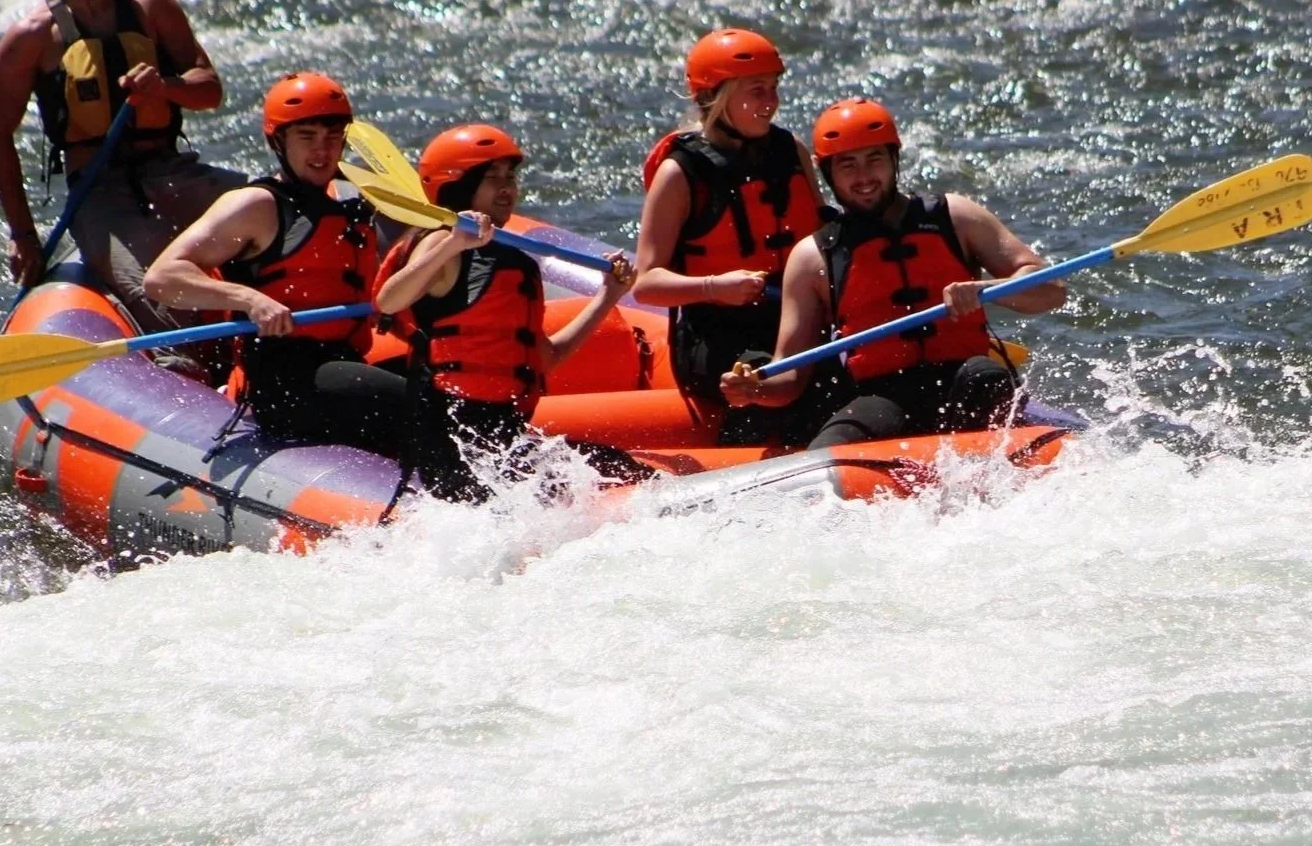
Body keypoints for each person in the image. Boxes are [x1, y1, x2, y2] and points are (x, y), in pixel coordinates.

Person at [0, 0, 246, 336]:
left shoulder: (153, 7)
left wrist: (164, 87)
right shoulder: (30, 39)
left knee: (272, 213)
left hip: (170, 171)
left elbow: (209, 88)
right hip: (99, 194)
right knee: (160, 298)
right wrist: (23, 235)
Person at [723, 98, 1066, 446]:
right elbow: (791, 374)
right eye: (848, 165)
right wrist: (756, 390)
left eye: (875, 159)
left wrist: (988, 289)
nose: (864, 177)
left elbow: (1051, 290)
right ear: (827, 172)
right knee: (829, 448)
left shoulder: (957, 217)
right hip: (885, 396)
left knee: (986, 378)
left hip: (966, 376)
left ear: (894, 159)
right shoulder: (813, 256)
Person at [373, 124, 646, 502]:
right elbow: (389, 300)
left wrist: (607, 296)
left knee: (623, 470)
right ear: (457, 187)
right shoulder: (442, 241)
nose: (506, 188)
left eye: (510, 177)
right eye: (491, 178)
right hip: (450, 439)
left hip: (503, 433)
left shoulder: (514, 262)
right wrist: (454, 242)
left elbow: (547, 357)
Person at [142, 73, 406, 453]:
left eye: (333, 137)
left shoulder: (356, 202)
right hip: (286, 383)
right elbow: (162, 278)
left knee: (444, 392)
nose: (322, 150)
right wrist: (250, 299)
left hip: (345, 362)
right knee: (417, 406)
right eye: (307, 137)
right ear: (278, 141)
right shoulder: (256, 206)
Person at [631, 28, 841, 444]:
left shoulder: (790, 150)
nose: (771, 103)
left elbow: (821, 242)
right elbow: (647, 284)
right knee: (785, 386)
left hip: (794, 321)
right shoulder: (680, 173)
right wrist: (714, 288)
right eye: (757, 91)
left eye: (774, 89)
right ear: (717, 97)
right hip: (717, 336)